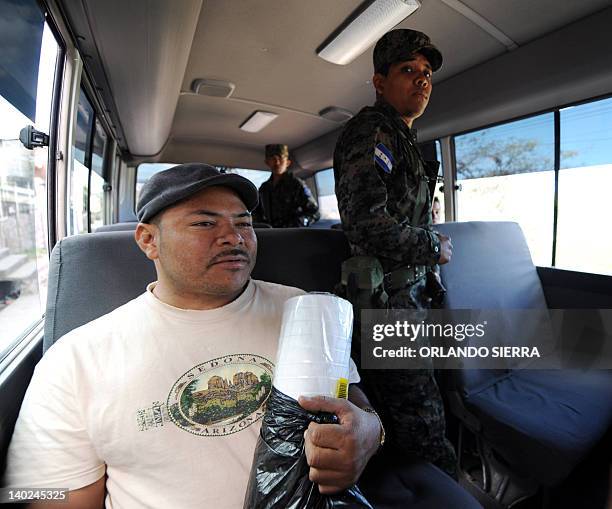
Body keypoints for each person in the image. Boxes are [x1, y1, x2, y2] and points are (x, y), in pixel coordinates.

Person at [2, 164, 382, 508]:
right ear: (148, 240)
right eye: (205, 224)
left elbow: (350, 401)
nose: (233, 237)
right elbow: (53, 496)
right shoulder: (76, 358)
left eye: (244, 223)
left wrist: (370, 431)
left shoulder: (300, 309)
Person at [333, 30, 456, 475]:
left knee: (418, 410)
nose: (421, 80)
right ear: (379, 81)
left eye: (426, 73)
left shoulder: (404, 136)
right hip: (388, 306)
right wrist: (432, 246)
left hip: (409, 298)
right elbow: (366, 221)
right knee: (423, 424)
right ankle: (440, 494)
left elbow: (398, 210)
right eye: (408, 70)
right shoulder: (373, 130)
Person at [253, 144, 320, 227]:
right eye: (273, 158)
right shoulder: (264, 188)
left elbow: (314, 213)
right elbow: (257, 212)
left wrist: (298, 223)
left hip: (292, 235)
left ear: (288, 163)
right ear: (267, 162)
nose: (277, 162)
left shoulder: (296, 184)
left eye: (280, 158)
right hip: (271, 234)